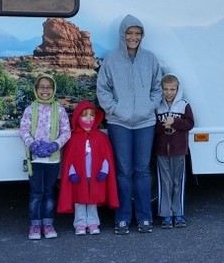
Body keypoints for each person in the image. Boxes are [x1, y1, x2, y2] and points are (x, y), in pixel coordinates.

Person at [96, 14, 163, 234]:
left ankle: (145, 218)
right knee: (123, 171)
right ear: (122, 35)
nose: (133, 37)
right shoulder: (112, 59)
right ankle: (122, 217)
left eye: (137, 33)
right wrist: (115, 109)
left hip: (145, 122)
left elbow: (157, 88)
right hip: (119, 123)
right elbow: (103, 89)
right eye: (129, 33)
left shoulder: (150, 59)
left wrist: (149, 108)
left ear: (142, 36)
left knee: (142, 171)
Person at [19, 75, 71, 240]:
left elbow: (66, 131)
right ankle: (35, 225)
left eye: (49, 87)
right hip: (35, 160)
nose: (45, 90)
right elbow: (24, 130)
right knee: (36, 193)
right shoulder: (30, 109)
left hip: (52, 159)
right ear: (36, 89)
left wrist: (55, 144)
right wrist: (32, 144)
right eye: (42, 87)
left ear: (53, 89)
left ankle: (48, 224)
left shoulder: (59, 109)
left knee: (49, 192)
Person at [57, 101, 119, 234]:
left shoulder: (101, 137)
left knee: (93, 200)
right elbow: (69, 161)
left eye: (91, 115)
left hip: (95, 176)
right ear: (77, 117)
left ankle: (93, 223)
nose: (89, 118)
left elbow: (106, 158)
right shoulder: (73, 138)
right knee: (79, 200)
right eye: (85, 115)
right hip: (79, 177)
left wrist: (104, 170)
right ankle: (80, 224)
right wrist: (72, 173)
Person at [154, 73, 195, 229]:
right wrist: (163, 125)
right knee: (165, 183)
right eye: (165, 89)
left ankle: (178, 214)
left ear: (178, 89)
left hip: (179, 150)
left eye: (172, 89)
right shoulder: (158, 106)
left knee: (178, 182)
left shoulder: (184, 105)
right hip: (162, 151)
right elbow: (153, 127)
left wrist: (175, 121)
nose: (169, 92)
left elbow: (190, 123)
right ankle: (165, 215)